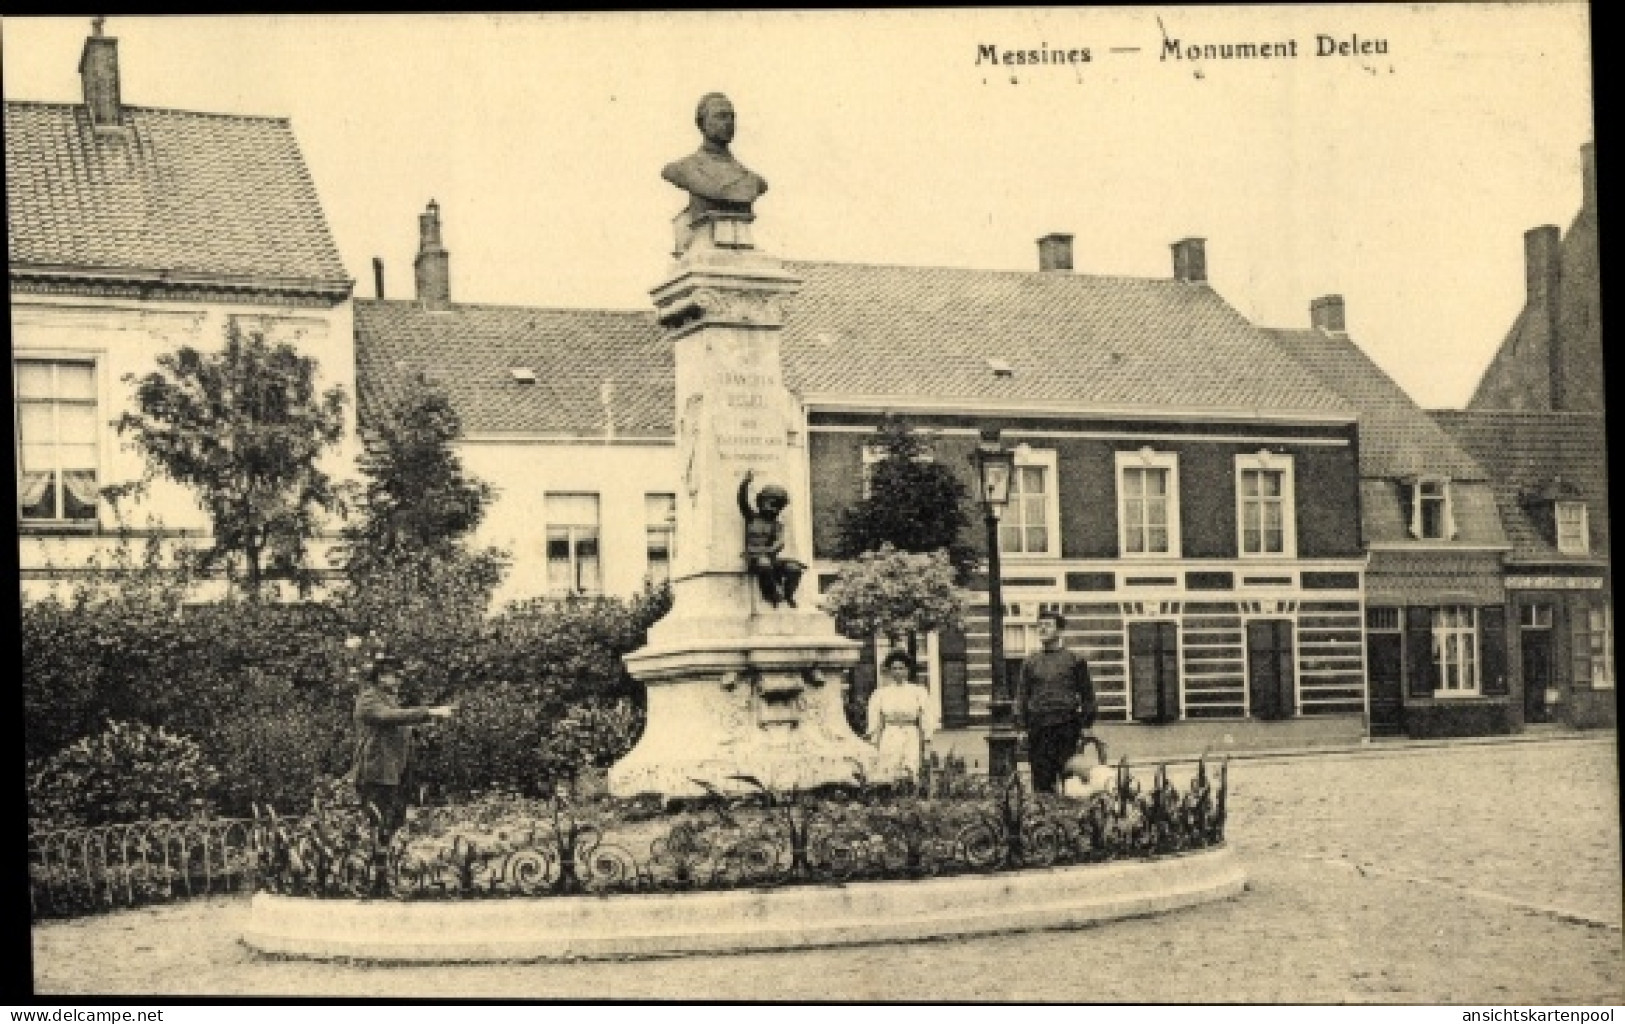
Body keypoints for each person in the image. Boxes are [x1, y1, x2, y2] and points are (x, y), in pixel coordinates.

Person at [351, 653, 457, 836]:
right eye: (396, 676)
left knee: (394, 821)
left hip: (393, 771)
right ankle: (376, 852)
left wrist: (420, 728)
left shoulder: (388, 699)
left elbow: (396, 725)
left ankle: (387, 851)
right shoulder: (368, 699)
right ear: (381, 677)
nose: (399, 681)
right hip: (376, 772)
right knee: (376, 821)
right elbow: (388, 716)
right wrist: (429, 712)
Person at [1014, 611, 1097, 795]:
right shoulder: (1030, 662)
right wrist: (1021, 728)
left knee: (1071, 782)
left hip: (1066, 727)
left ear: (1059, 631)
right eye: (1040, 625)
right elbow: (1022, 696)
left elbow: (1087, 695)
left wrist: (1086, 725)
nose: (1042, 628)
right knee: (1042, 783)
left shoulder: (1075, 660)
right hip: (1039, 729)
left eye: (1048, 625)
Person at [661, 93, 769, 221]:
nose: (728, 123)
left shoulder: (753, 180)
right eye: (721, 116)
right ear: (701, 123)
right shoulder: (682, 168)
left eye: (732, 117)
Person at [866, 650, 937, 784]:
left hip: (910, 734)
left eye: (901, 668)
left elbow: (926, 717)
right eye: (894, 668)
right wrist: (874, 740)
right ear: (889, 671)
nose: (898, 672)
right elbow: (876, 720)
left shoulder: (918, 692)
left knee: (909, 768)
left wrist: (927, 740)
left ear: (907, 670)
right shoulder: (881, 693)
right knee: (889, 768)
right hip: (890, 734)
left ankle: (909, 791)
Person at [738, 469, 804, 608]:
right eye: (770, 503)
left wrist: (770, 551)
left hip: (770, 556)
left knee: (794, 568)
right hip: (754, 557)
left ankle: (788, 595)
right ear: (761, 502)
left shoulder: (777, 525)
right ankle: (771, 594)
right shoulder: (751, 517)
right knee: (764, 563)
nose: (773, 508)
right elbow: (742, 501)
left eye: (777, 505)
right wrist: (745, 483)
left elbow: (780, 542)